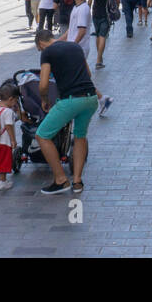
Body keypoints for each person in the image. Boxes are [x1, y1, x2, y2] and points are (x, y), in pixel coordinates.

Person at [33, 29, 98, 196]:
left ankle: (61, 180)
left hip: (70, 100)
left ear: (40, 43)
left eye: (39, 49)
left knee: (42, 135)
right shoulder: (74, 47)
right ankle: (77, 181)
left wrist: (44, 99)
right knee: (80, 136)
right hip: (90, 99)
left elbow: (43, 84)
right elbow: (88, 74)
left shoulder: (47, 53)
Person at [66, 0, 113, 115]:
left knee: (77, 78)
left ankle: (94, 100)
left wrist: (71, 46)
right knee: (81, 78)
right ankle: (102, 99)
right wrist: (57, 42)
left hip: (78, 49)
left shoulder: (83, 9)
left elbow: (81, 31)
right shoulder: (76, 7)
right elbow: (71, 30)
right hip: (75, 48)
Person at [0, 85, 28, 191]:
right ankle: (2, 181)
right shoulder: (8, 112)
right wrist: (13, 140)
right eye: (16, 100)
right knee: (4, 161)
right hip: (4, 142)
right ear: (11, 99)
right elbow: (9, 126)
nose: (15, 103)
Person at [89, 0, 111, 70]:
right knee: (103, 36)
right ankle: (99, 59)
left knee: (98, 35)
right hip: (105, 13)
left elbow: (89, 2)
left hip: (95, 13)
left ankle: (99, 58)